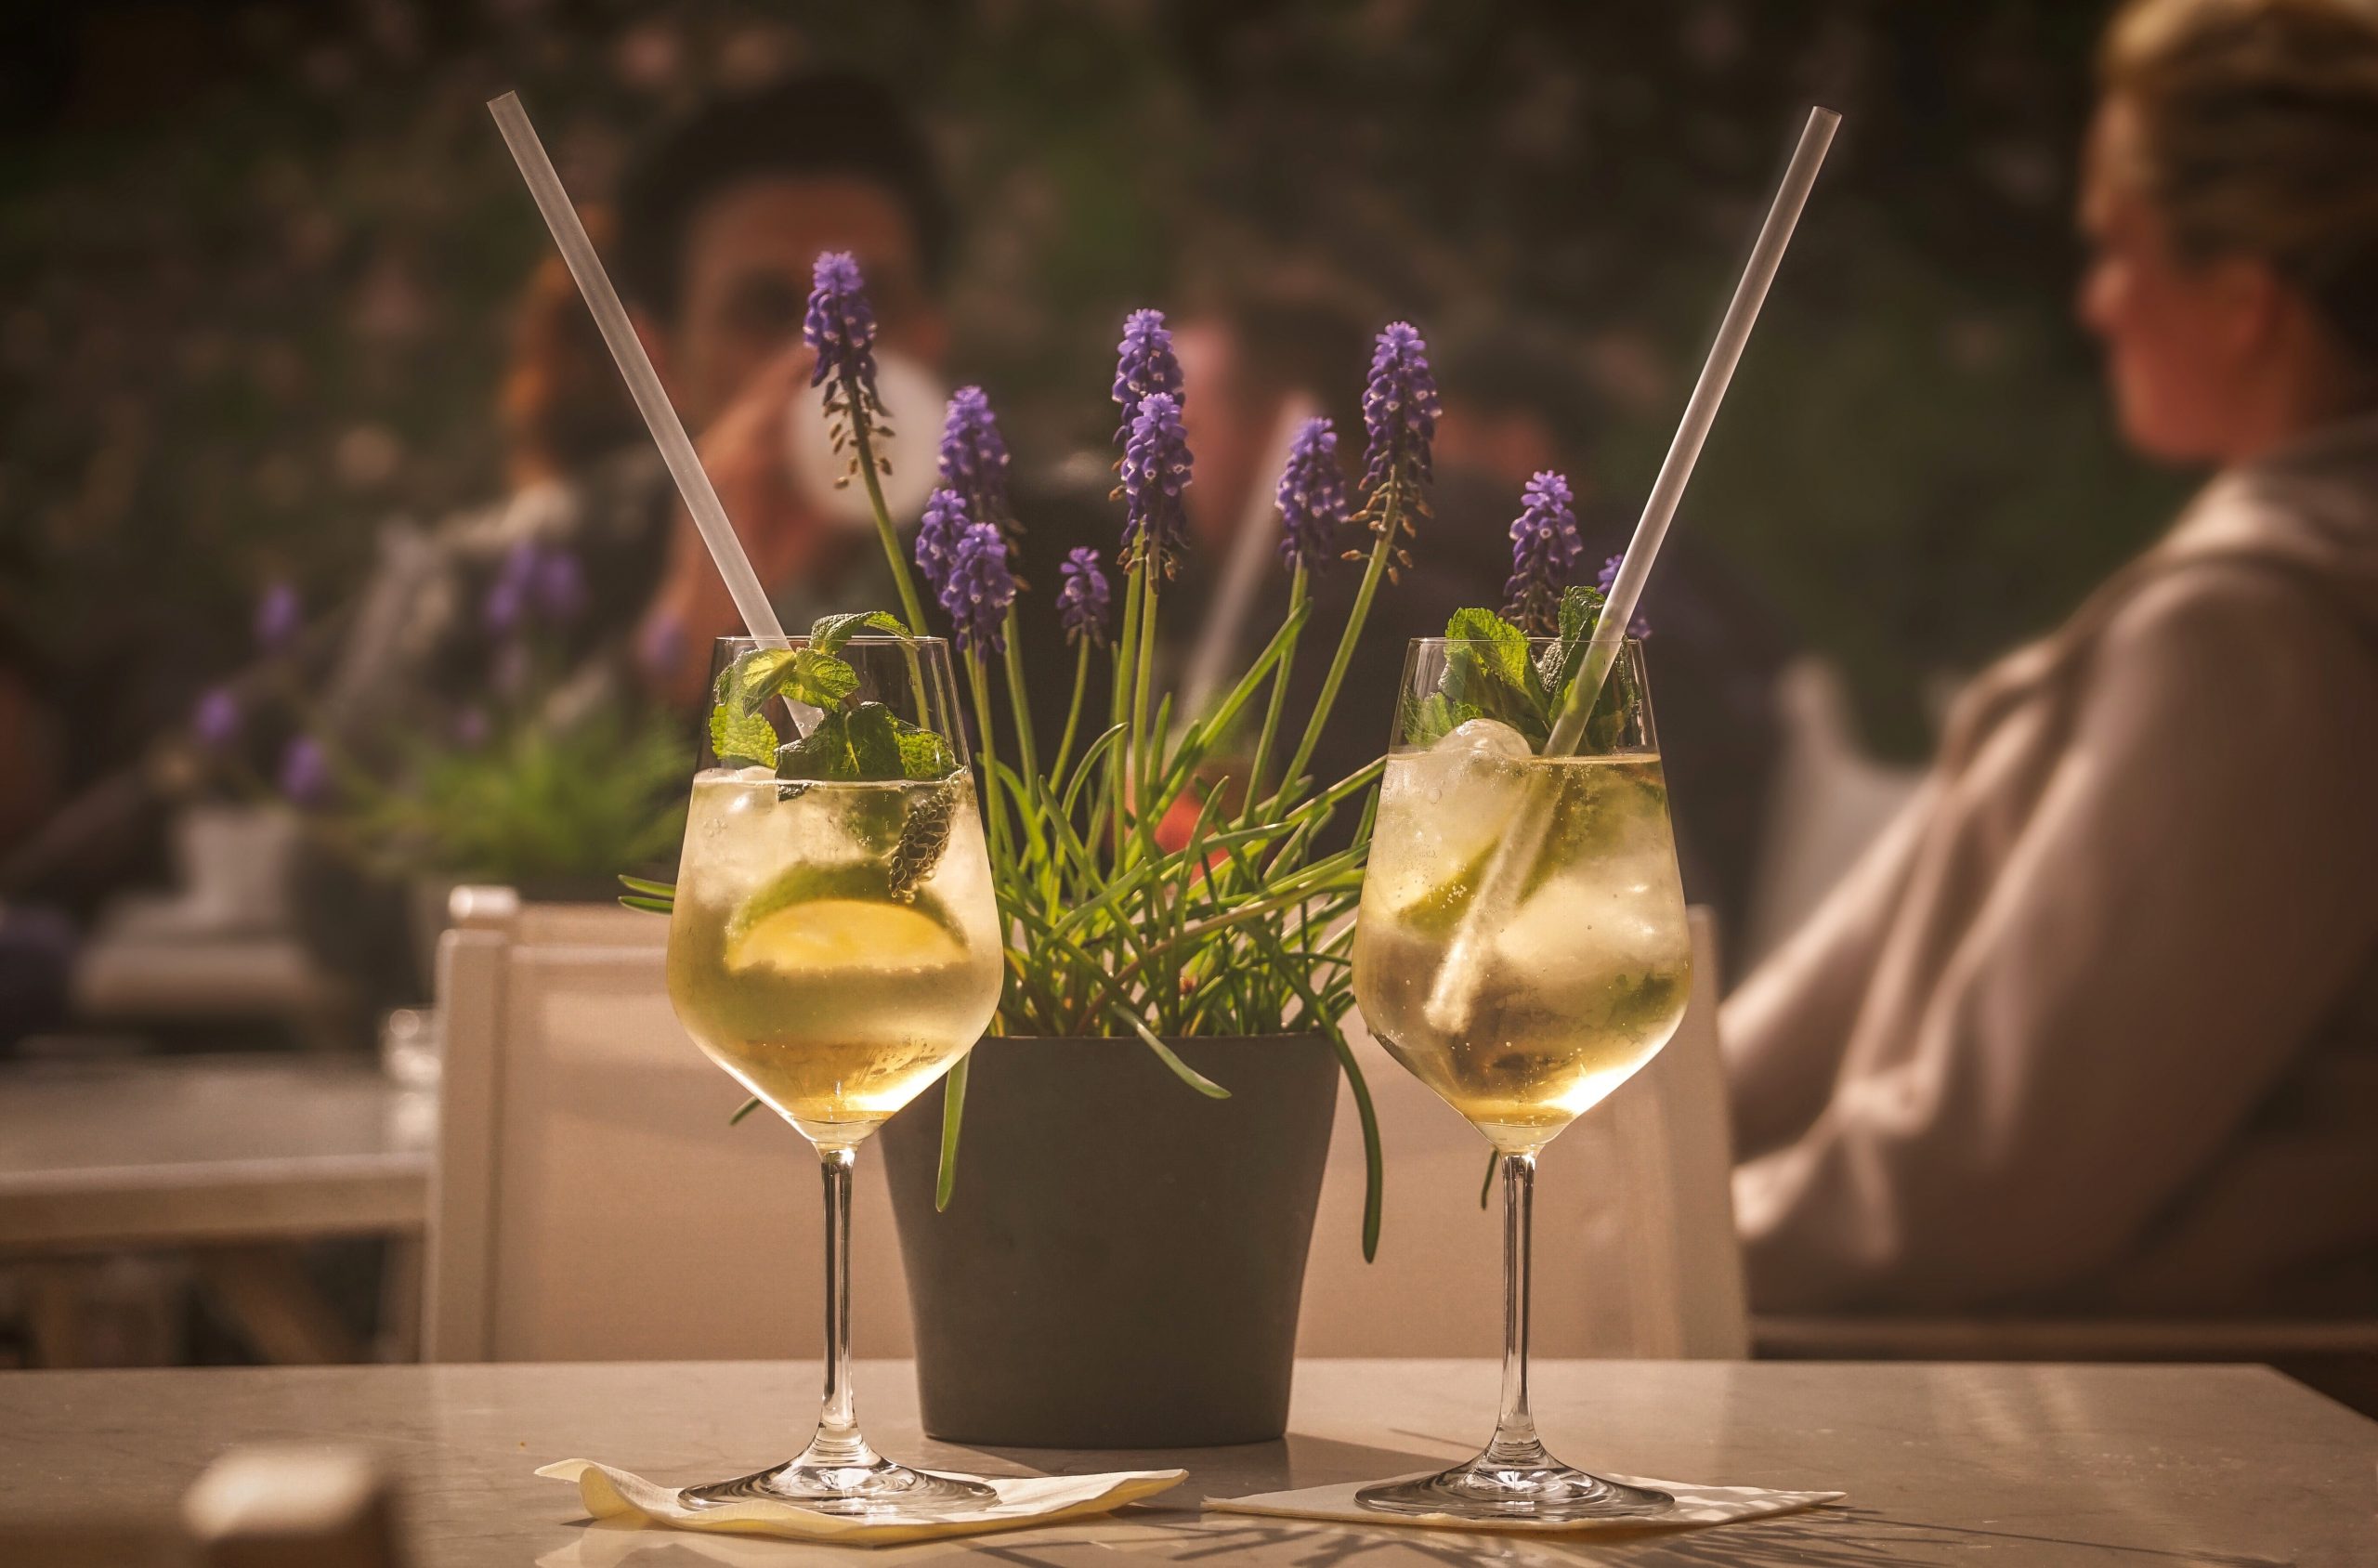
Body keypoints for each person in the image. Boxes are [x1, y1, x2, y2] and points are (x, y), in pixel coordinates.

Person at [1726, 0, 2378, 1315]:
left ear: (2248, 302)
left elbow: (1973, 1191)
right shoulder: (2263, 597)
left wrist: (1596, 1263)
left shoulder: (2259, 630)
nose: (2097, 302)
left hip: (2140, 1452)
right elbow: (1774, 1061)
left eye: (2118, 249)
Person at [326, 73, 954, 728]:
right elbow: (359, 829)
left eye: (871, 302)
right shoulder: (480, 581)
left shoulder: (1055, 555)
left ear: (934, 338)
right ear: (662, 361)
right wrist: (662, 669)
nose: (823, 362)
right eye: (764, 308)